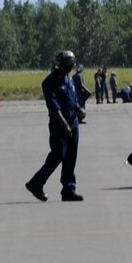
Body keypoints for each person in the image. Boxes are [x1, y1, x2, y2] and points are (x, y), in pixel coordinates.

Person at [24, 50, 87, 202]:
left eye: (72, 61)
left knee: (71, 158)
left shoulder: (69, 80)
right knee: (58, 155)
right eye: (67, 61)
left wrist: (79, 108)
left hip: (73, 123)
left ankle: (68, 190)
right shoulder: (50, 81)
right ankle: (36, 183)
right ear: (59, 63)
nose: (70, 64)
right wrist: (64, 125)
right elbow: (53, 107)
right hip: (59, 125)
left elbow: (72, 100)